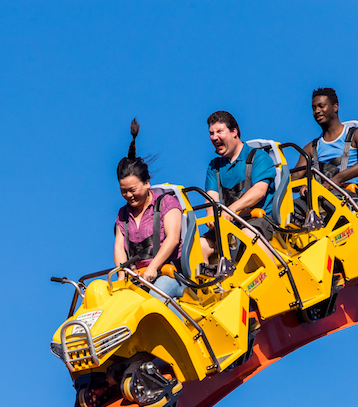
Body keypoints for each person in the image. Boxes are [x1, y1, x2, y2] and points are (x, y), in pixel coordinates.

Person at [114, 119, 185, 299]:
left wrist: (153, 267)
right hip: (139, 278)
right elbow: (119, 249)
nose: (129, 195)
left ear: (147, 183)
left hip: (169, 273)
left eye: (133, 190)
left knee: (152, 301)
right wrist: (122, 278)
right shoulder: (123, 215)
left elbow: (173, 238)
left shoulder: (166, 204)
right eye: (124, 191)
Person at [200, 111, 276, 262]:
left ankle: (279, 276)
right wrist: (211, 214)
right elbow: (211, 198)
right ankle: (208, 283)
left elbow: (259, 191)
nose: (214, 137)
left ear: (234, 132)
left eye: (219, 131)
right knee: (200, 245)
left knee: (248, 235)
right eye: (211, 133)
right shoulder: (214, 166)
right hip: (229, 224)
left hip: (258, 220)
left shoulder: (259, 157)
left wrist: (231, 210)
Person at [292, 88, 358, 194]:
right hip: (318, 196)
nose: (317, 111)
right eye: (314, 108)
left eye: (321, 106)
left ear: (335, 107)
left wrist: (338, 179)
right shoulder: (311, 148)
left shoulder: (357, 135)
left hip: (347, 194)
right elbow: (295, 177)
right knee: (293, 209)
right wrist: (304, 186)